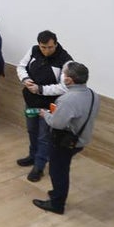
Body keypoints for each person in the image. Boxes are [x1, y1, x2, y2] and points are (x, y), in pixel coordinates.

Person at [32, 62, 100, 215]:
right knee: (62, 167)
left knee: (58, 171)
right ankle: (58, 193)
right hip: (81, 139)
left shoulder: (68, 99)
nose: (62, 76)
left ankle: (57, 203)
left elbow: (56, 123)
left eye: (64, 74)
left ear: (69, 80)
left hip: (64, 143)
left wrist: (45, 114)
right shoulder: (93, 94)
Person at [16, 30, 73, 183]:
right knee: (31, 129)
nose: (46, 50)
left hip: (50, 106)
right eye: (43, 47)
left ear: (55, 44)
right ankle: (32, 155)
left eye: (50, 47)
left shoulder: (66, 61)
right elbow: (21, 66)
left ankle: (39, 166)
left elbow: (64, 87)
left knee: (44, 135)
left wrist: (41, 89)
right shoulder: (33, 50)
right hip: (31, 101)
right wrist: (25, 79)